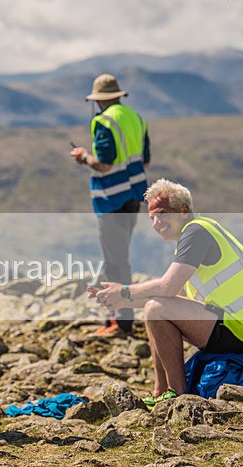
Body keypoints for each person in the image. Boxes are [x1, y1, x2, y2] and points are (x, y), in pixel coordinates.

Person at [91, 179, 243, 406]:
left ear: (184, 210)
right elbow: (178, 300)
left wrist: (125, 291)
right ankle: (160, 392)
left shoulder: (196, 232)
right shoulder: (201, 230)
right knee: (155, 308)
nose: (157, 222)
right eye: (152, 218)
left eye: (163, 214)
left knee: (156, 308)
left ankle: (175, 392)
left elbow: (167, 288)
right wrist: (119, 301)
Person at [70, 73, 151, 337]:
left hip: (111, 199)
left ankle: (122, 322)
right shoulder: (136, 118)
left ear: (98, 100)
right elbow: (145, 160)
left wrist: (83, 157)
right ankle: (116, 317)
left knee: (115, 262)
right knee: (120, 257)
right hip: (134, 195)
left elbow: (104, 163)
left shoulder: (102, 122)